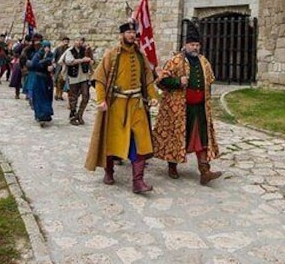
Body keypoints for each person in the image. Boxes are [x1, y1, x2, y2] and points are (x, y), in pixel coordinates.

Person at [85, 21, 158, 194]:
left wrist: (153, 96)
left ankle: (138, 182)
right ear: (122, 35)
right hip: (116, 104)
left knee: (140, 141)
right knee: (112, 139)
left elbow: (148, 79)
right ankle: (109, 171)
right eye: (129, 32)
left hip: (137, 104)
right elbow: (100, 79)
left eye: (134, 32)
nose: (132, 35)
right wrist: (101, 100)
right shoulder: (112, 54)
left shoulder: (140, 56)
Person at [153, 21, 222, 185]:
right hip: (179, 109)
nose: (195, 48)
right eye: (192, 44)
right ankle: (172, 165)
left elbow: (209, 81)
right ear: (185, 45)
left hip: (199, 108)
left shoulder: (204, 62)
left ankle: (204, 171)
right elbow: (161, 82)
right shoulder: (175, 61)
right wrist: (178, 81)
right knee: (177, 136)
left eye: (197, 44)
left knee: (201, 137)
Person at [60, 36, 93, 125]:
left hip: (84, 76)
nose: (79, 42)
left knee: (86, 96)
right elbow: (69, 61)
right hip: (73, 77)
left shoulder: (85, 50)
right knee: (73, 97)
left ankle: (80, 115)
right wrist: (82, 60)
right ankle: (73, 116)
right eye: (77, 40)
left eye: (81, 41)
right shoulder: (70, 51)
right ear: (74, 41)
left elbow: (91, 59)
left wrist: (90, 61)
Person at [29, 39, 55, 126]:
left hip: (47, 79)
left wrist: (52, 68)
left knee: (47, 97)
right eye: (45, 47)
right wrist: (44, 62)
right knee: (39, 97)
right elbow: (34, 64)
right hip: (39, 78)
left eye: (48, 47)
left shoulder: (51, 55)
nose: (47, 49)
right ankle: (40, 116)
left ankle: (46, 115)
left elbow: (54, 64)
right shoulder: (38, 55)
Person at [54, 36, 71, 101]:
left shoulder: (69, 49)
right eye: (65, 41)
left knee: (63, 82)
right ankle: (57, 94)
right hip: (59, 67)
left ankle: (60, 95)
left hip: (66, 67)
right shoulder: (58, 49)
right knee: (58, 81)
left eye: (67, 41)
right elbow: (55, 57)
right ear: (62, 42)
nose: (66, 43)